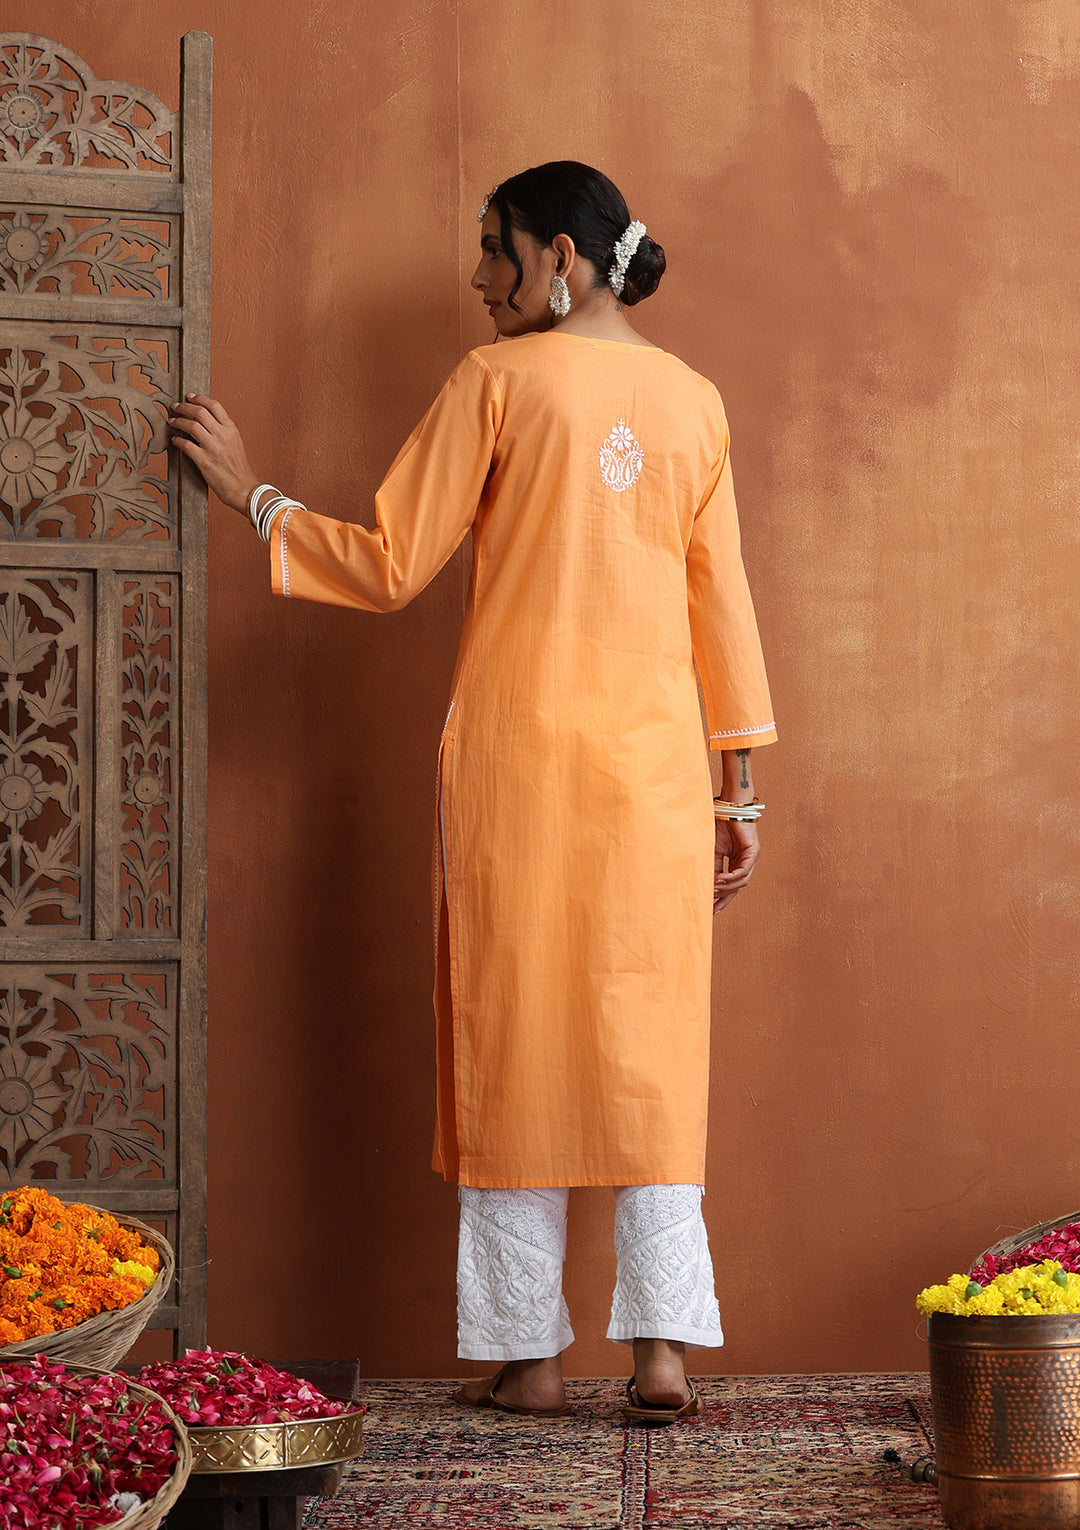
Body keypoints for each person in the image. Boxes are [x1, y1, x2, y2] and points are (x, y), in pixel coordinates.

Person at [170, 160, 776, 1425]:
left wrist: (252, 496)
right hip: (656, 774)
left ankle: (529, 1360)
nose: (478, 276)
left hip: (520, 767)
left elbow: (392, 561)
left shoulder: (495, 382)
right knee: (652, 1047)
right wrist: (738, 793)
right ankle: (662, 1352)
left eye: (496, 249)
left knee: (513, 1040)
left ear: (562, 257)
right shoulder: (694, 400)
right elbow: (719, 603)